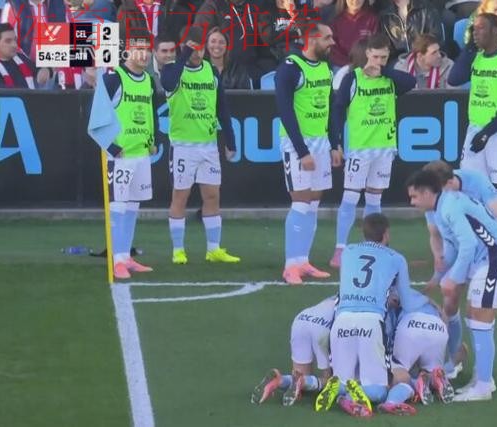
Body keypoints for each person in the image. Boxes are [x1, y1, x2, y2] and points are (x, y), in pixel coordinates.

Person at [407, 170, 497, 402]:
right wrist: (439, 276)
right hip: (486, 261)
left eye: (414, 196)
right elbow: (452, 248)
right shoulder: (442, 207)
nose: (412, 202)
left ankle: (483, 386)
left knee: (479, 320)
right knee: (476, 319)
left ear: (427, 193)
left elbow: (467, 245)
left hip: (495, 260)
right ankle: (482, 378)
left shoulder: (449, 207)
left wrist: (453, 278)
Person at [314, 213, 422, 417]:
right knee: (380, 389)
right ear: (386, 234)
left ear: (363, 233)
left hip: (342, 320)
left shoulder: (347, 252)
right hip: (372, 323)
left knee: (344, 378)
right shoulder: (396, 258)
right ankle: (350, 394)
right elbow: (407, 303)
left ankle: (338, 389)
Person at [329, 34, 416, 268]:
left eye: (384, 58)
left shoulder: (390, 79)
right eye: (376, 56)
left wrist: (384, 71)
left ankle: (373, 246)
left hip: (384, 148)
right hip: (360, 149)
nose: (379, 61)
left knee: (375, 198)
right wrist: (336, 142)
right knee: (350, 197)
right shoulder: (353, 79)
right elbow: (338, 110)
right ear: (367, 53)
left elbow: (410, 82)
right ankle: (340, 248)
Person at [161, 27, 240, 265]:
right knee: (180, 196)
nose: (198, 52)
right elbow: (168, 84)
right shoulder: (173, 70)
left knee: (212, 195)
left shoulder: (211, 71)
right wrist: (184, 54)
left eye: (200, 47)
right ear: (185, 47)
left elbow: (222, 108)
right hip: (183, 146)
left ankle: (213, 249)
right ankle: (178, 250)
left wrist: (230, 140)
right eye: (193, 47)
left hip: (208, 145)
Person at [275, 23, 342, 285]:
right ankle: (290, 265)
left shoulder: (326, 67)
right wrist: (302, 151)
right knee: (301, 201)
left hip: (321, 143)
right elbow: (285, 112)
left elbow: (330, 109)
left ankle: (303, 260)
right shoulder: (290, 68)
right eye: (327, 38)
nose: (332, 42)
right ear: (312, 39)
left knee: (313, 202)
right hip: (297, 144)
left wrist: (335, 144)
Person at [448, 13, 497, 239]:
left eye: (481, 28)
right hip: (475, 129)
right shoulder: (476, 56)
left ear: (495, 31)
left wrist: (488, 133)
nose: (475, 32)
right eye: (474, 28)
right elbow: (454, 78)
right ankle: (478, 241)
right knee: (470, 188)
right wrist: (469, 48)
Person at [89, 37, 159, 279]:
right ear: (127, 51)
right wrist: (111, 146)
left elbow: (150, 112)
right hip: (120, 156)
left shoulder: (149, 80)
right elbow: (95, 119)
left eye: (147, 50)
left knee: (132, 208)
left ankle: (125, 257)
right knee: (117, 208)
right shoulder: (113, 79)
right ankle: (116, 259)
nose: (144, 55)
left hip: (141, 154)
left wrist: (153, 140)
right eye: (138, 50)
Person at [421, 161, 497, 293]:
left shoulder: (477, 181)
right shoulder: (433, 196)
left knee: (479, 291)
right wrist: (438, 257)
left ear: (449, 183)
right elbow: (435, 234)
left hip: (487, 241)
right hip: (463, 239)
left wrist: (492, 244)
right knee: (450, 290)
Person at [378, 287, 454, 415]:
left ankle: (414, 383)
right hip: (438, 327)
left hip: (411, 324)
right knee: (430, 369)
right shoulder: (416, 294)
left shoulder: (385, 294)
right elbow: (444, 318)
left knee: (399, 374)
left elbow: (387, 332)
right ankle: (433, 379)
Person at [250, 295, 337, 406]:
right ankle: (303, 382)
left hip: (302, 319)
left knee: (300, 376)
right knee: (332, 382)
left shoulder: (339, 294)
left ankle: (280, 380)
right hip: (323, 327)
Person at [0, 23, 38, 89]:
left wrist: (46, 70)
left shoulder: (20, 57)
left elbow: (38, 70)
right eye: (8, 41)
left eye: (15, 40)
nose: (14, 45)